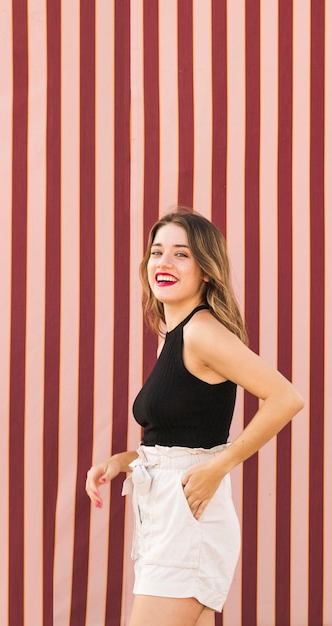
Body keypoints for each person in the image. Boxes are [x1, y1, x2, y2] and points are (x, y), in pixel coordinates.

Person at [85, 209, 303, 626]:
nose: (164, 263)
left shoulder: (202, 331)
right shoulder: (176, 335)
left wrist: (217, 467)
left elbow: (285, 398)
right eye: (157, 252)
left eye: (181, 254)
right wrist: (123, 461)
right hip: (166, 516)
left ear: (205, 270)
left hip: (188, 519)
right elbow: (180, 439)